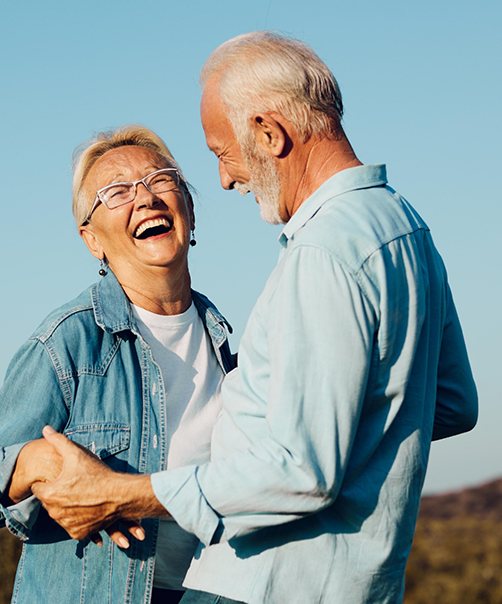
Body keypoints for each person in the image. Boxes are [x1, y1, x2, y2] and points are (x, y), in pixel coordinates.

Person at [30, 32, 479, 604]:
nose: (224, 178)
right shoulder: (405, 226)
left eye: (222, 151)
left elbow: (301, 472)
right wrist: (343, 434)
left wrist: (123, 494)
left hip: (260, 585)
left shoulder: (322, 254)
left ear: (270, 133)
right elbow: (452, 403)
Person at [0, 125, 235, 604]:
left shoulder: (227, 344)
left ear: (189, 209)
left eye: (161, 180)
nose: (145, 198)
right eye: (117, 191)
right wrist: (31, 461)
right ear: (91, 240)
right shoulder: (68, 343)